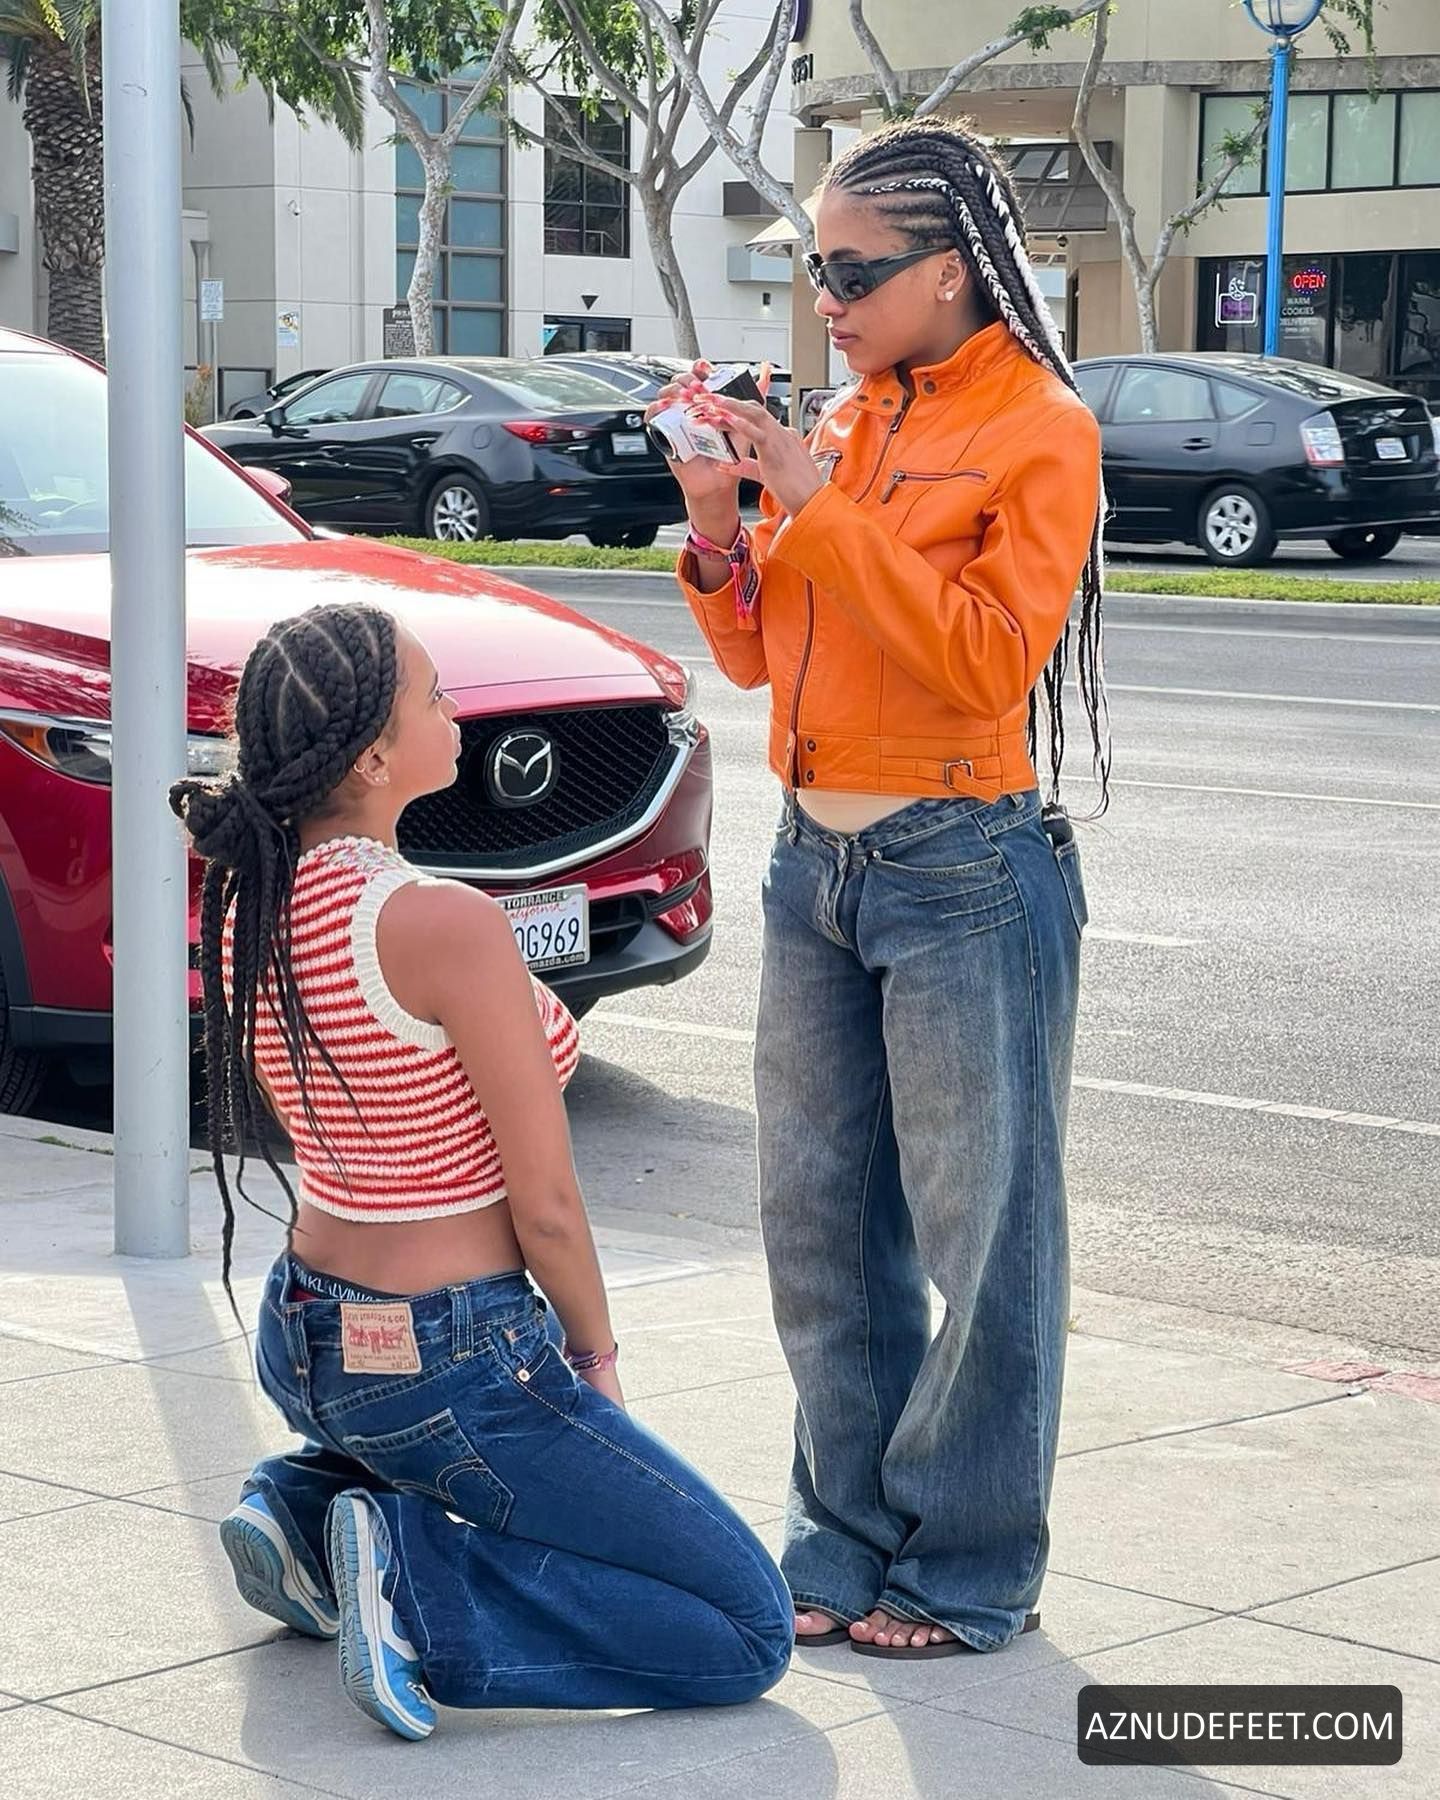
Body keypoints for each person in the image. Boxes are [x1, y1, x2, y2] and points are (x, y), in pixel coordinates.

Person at [170, 602, 791, 1740]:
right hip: (448, 1364)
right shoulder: (439, 922)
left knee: (486, 1479)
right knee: (748, 1625)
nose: (456, 711)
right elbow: (544, 1207)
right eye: (434, 696)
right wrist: (593, 1364)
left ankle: (305, 1509)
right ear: (373, 758)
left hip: (308, 1341)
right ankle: (416, 1594)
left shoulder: (254, 897)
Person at [655, 116, 1107, 1661]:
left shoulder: (1042, 428)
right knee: (819, 1225)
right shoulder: (844, 424)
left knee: (984, 1241)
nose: (825, 299)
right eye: (814, 269)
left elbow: (983, 658)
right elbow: (762, 659)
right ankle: (841, 1535)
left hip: (963, 864)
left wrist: (815, 500)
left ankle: (967, 1565)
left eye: (853, 272)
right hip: (816, 864)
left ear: (953, 270)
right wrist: (720, 523)